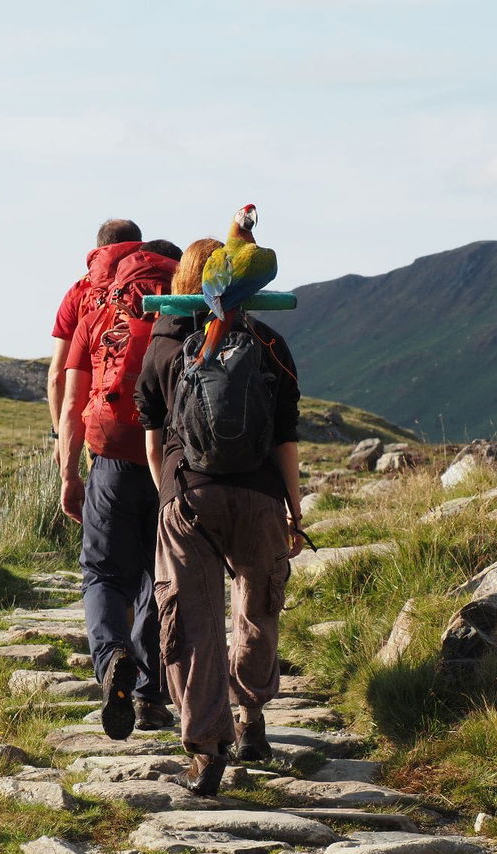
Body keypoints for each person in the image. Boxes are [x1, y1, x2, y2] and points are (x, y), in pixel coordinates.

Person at [135, 237, 305, 795]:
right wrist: (294, 511)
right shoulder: (270, 343)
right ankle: (252, 721)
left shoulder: (166, 351)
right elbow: (285, 439)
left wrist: (167, 496)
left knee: (191, 624)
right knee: (257, 609)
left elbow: (153, 440)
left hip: (189, 498)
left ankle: (207, 753)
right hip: (258, 498)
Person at [59, 239, 183, 739]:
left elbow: (71, 403)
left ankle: (111, 656)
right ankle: (152, 697)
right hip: (172, 458)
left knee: (104, 573)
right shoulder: (188, 314)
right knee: (161, 573)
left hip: (109, 458)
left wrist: (70, 473)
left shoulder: (98, 310)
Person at [47, 218, 143, 452]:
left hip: (99, 421)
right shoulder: (157, 285)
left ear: (99, 248)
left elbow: (57, 376)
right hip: (151, 418)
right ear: (139, 245)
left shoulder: (80, 293)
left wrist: (60, 436)